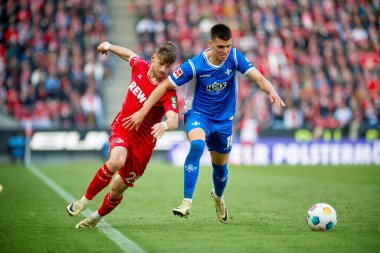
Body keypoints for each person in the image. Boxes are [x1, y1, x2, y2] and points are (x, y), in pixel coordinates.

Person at [124, 24, 286, 223]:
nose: (225, 51)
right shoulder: (195, 65)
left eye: (228, 46)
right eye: (220, 47)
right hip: (197, 115)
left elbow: (258, 78)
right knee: (197, 145)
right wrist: (143, 110)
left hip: (224, 121)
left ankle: (218, 197)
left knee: (220, 169)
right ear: (211, 44)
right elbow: (165, 86)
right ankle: (186, 202)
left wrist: (271, 91)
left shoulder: (235, 57)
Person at [66, 40, 179, 228]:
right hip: (123, 127)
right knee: (116, 161)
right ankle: (83, 201)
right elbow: (129, 54)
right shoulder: (140, 66)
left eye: (168, 66)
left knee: (117, 189)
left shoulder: (167, 90)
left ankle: (96, 217)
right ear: (153, 59)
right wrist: (108, 46)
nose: (163, 70)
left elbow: (174, 119)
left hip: (143, 145)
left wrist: (164, 126)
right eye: (161, 63)